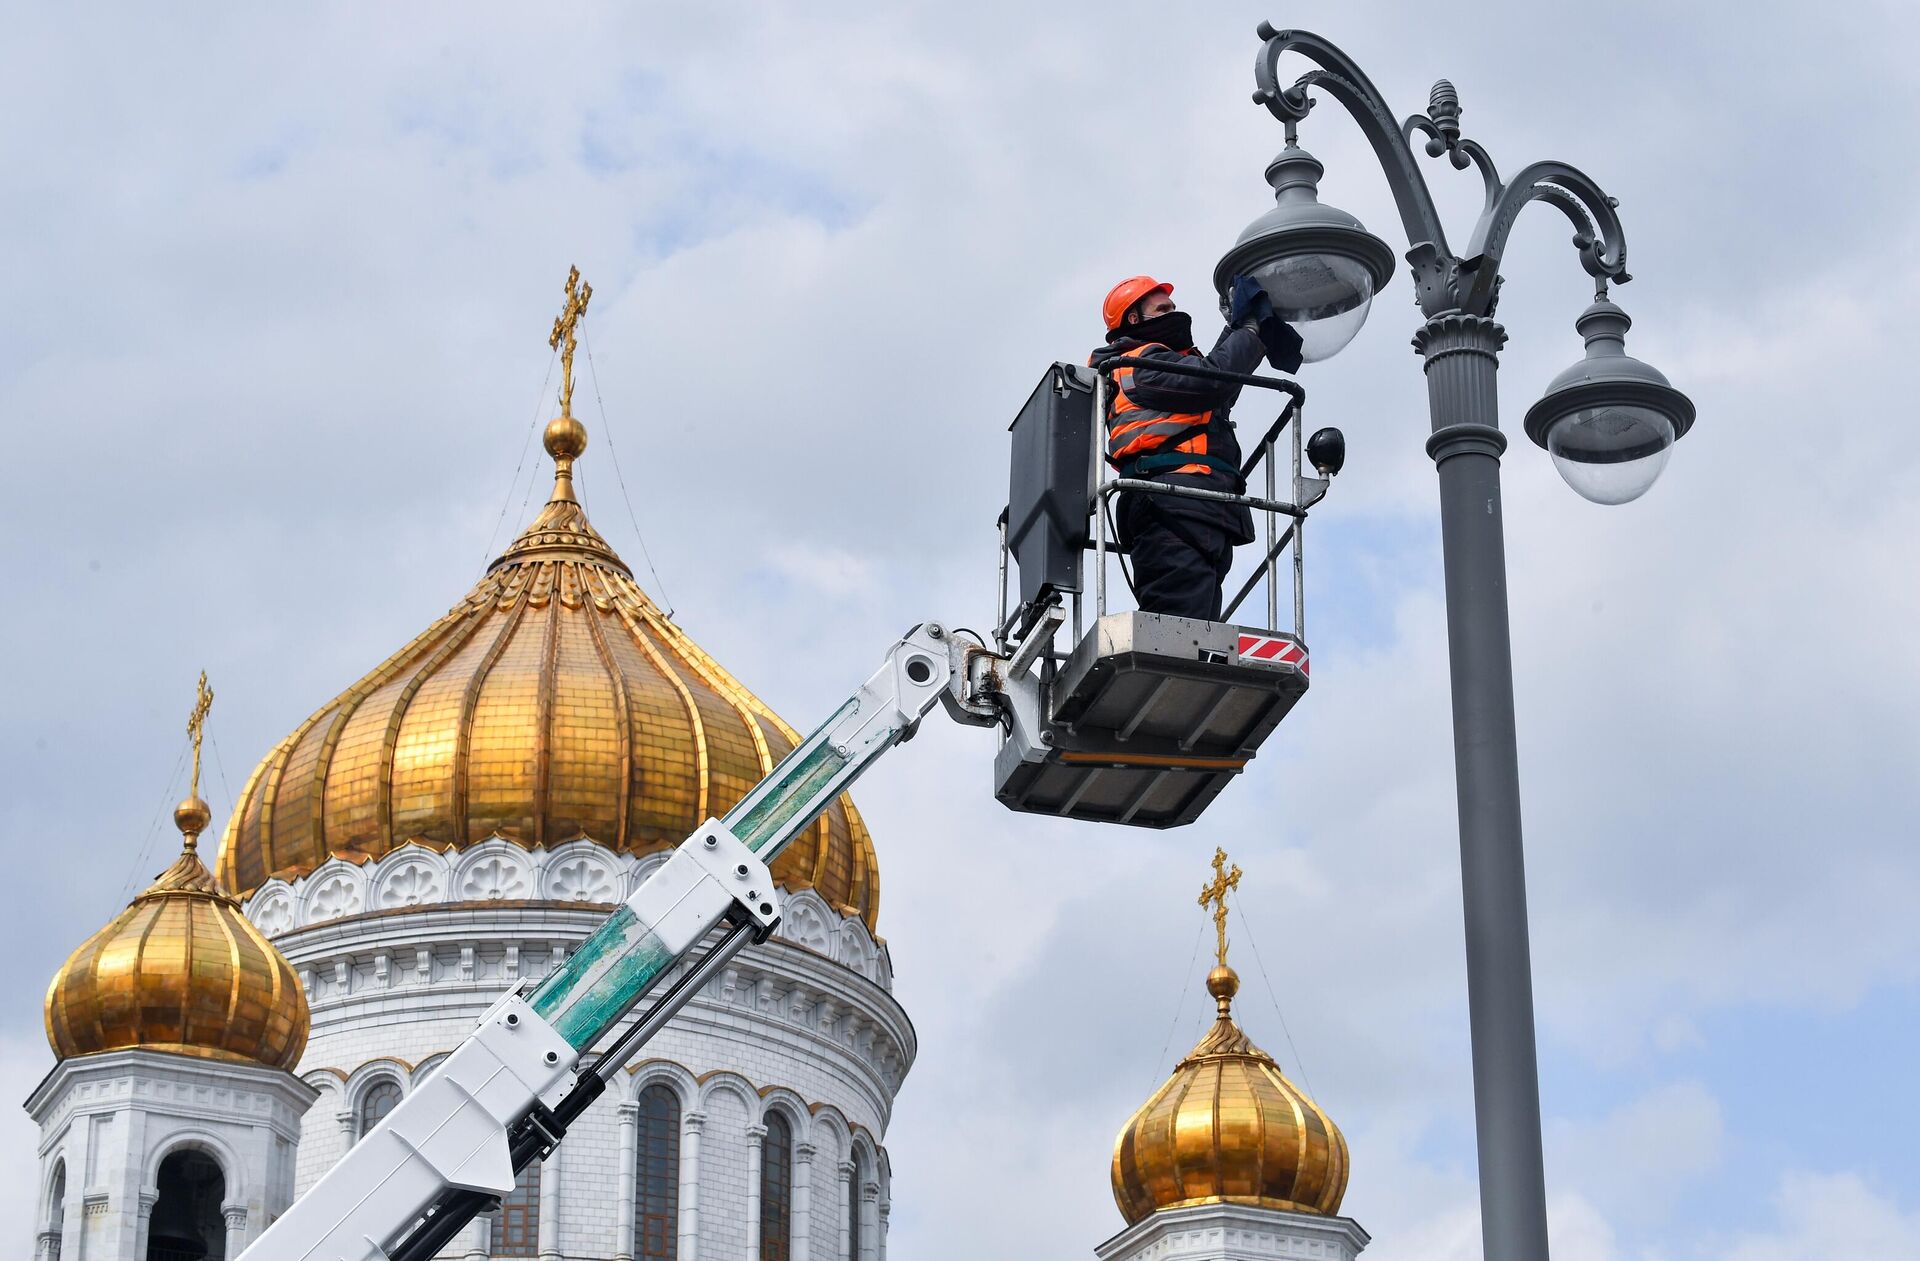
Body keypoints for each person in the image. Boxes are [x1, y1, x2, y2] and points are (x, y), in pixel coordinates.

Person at [1088, 274, 1303, 621]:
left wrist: (1235, 330)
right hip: (1172, 506)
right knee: (1179, 634)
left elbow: (1215, 392)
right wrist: (1249, 327)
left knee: (1195, 632)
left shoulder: (1161, 367)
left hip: (1197, 507)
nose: (1174, 312)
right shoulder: (1137, 365)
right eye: (1163, 308)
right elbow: (1212, 380)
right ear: (1134, 319)